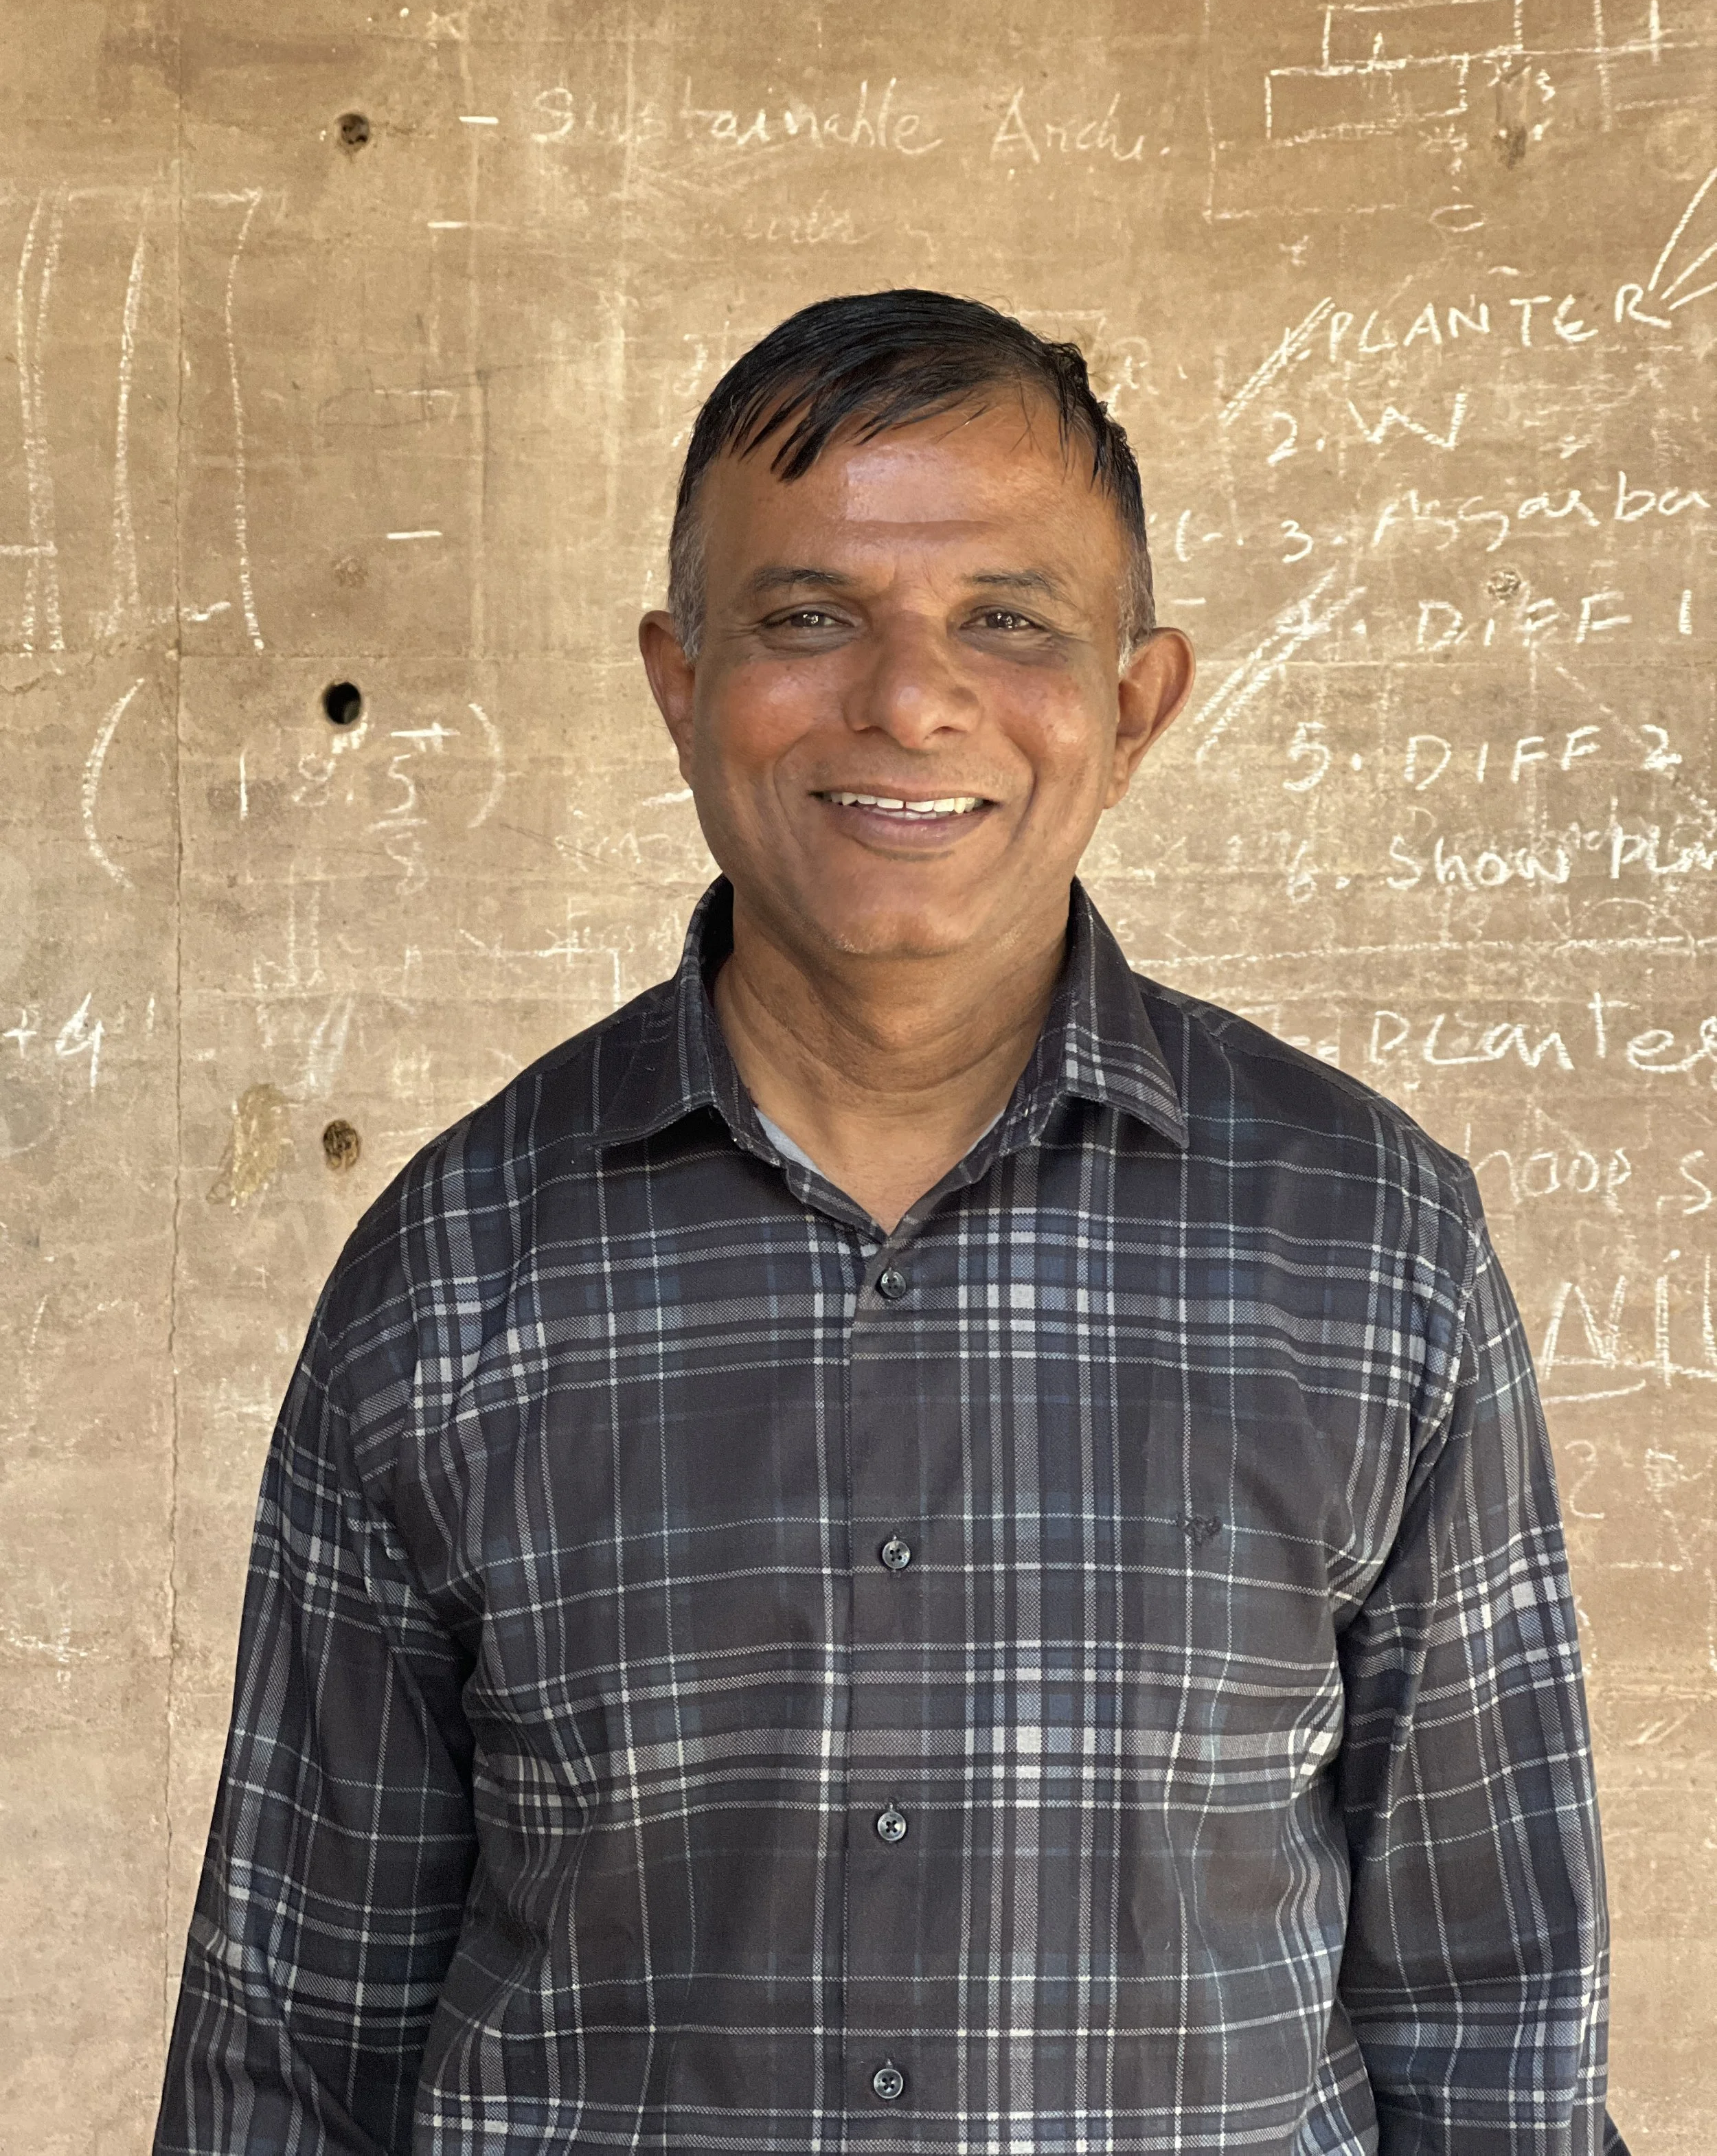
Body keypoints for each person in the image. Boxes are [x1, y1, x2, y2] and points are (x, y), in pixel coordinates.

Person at [156, 290, 1626, 2153]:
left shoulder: (1365, 1242)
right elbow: (294, 2046)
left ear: (1133, 704)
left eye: (1005, 620)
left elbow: (1497, 2018)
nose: (909, 700)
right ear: (680, 681)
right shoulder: (451, 1271)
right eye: (807, 617)